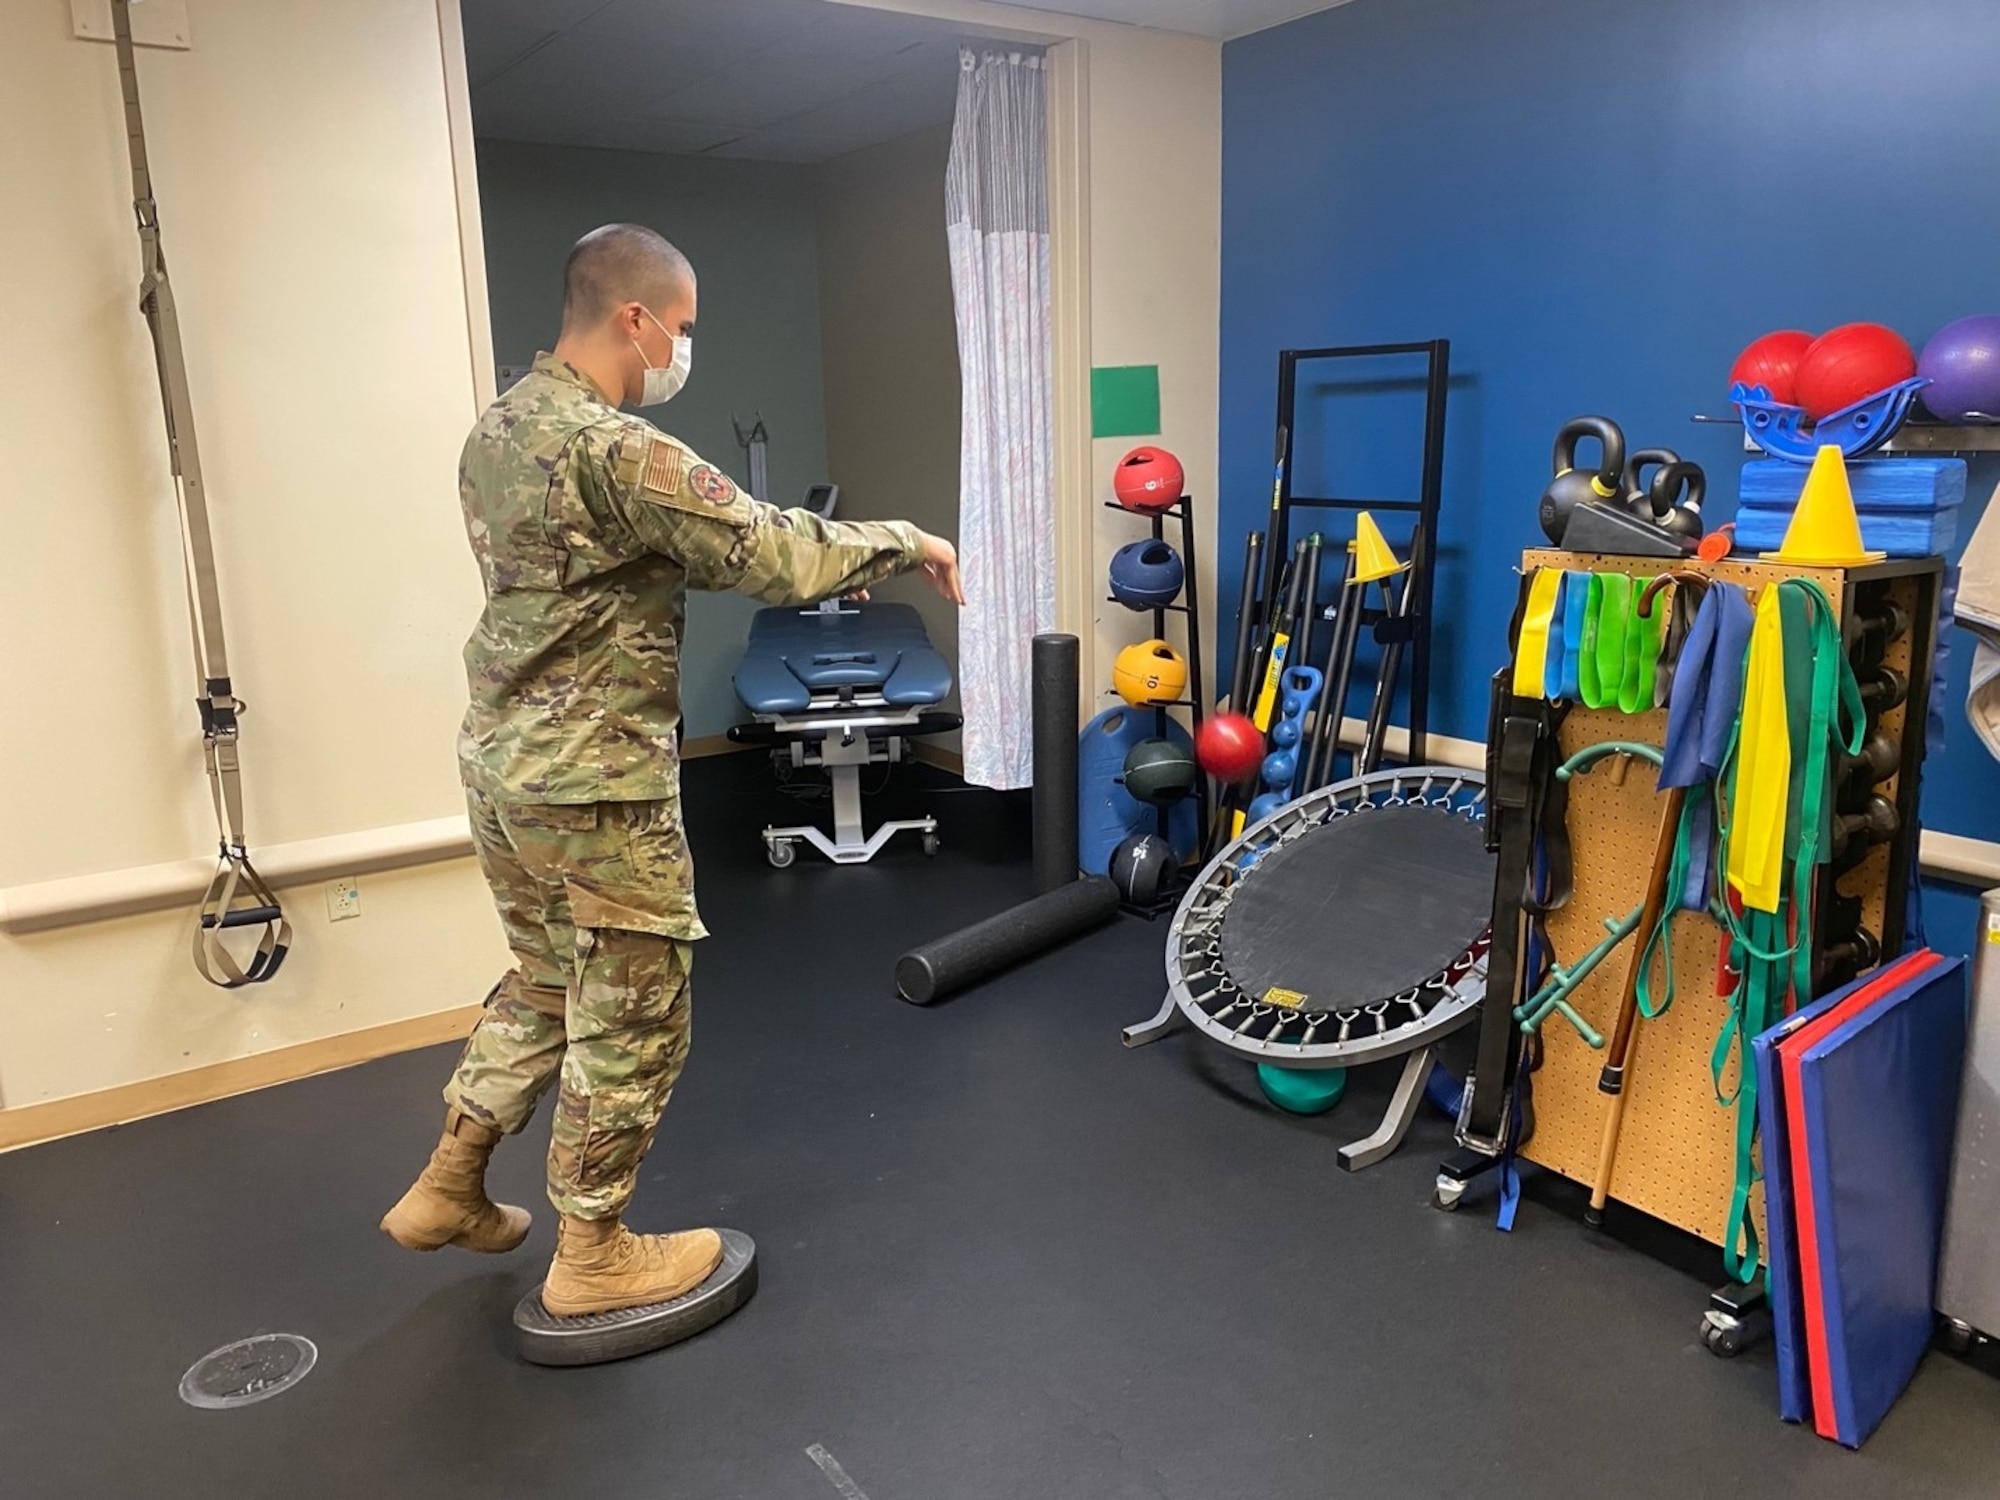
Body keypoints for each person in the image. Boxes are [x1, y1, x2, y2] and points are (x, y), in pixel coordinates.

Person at [382, 224, 964, 1316]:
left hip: (503, 765)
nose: (681, 352)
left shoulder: (496, 432)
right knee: (634, 1005)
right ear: (633, 319)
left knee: (547, 980)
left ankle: (450, 1181)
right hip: (597, 781)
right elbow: (775, 554)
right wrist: (907, 540)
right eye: (682, 330)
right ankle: (592, 1250)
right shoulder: (617, 451)